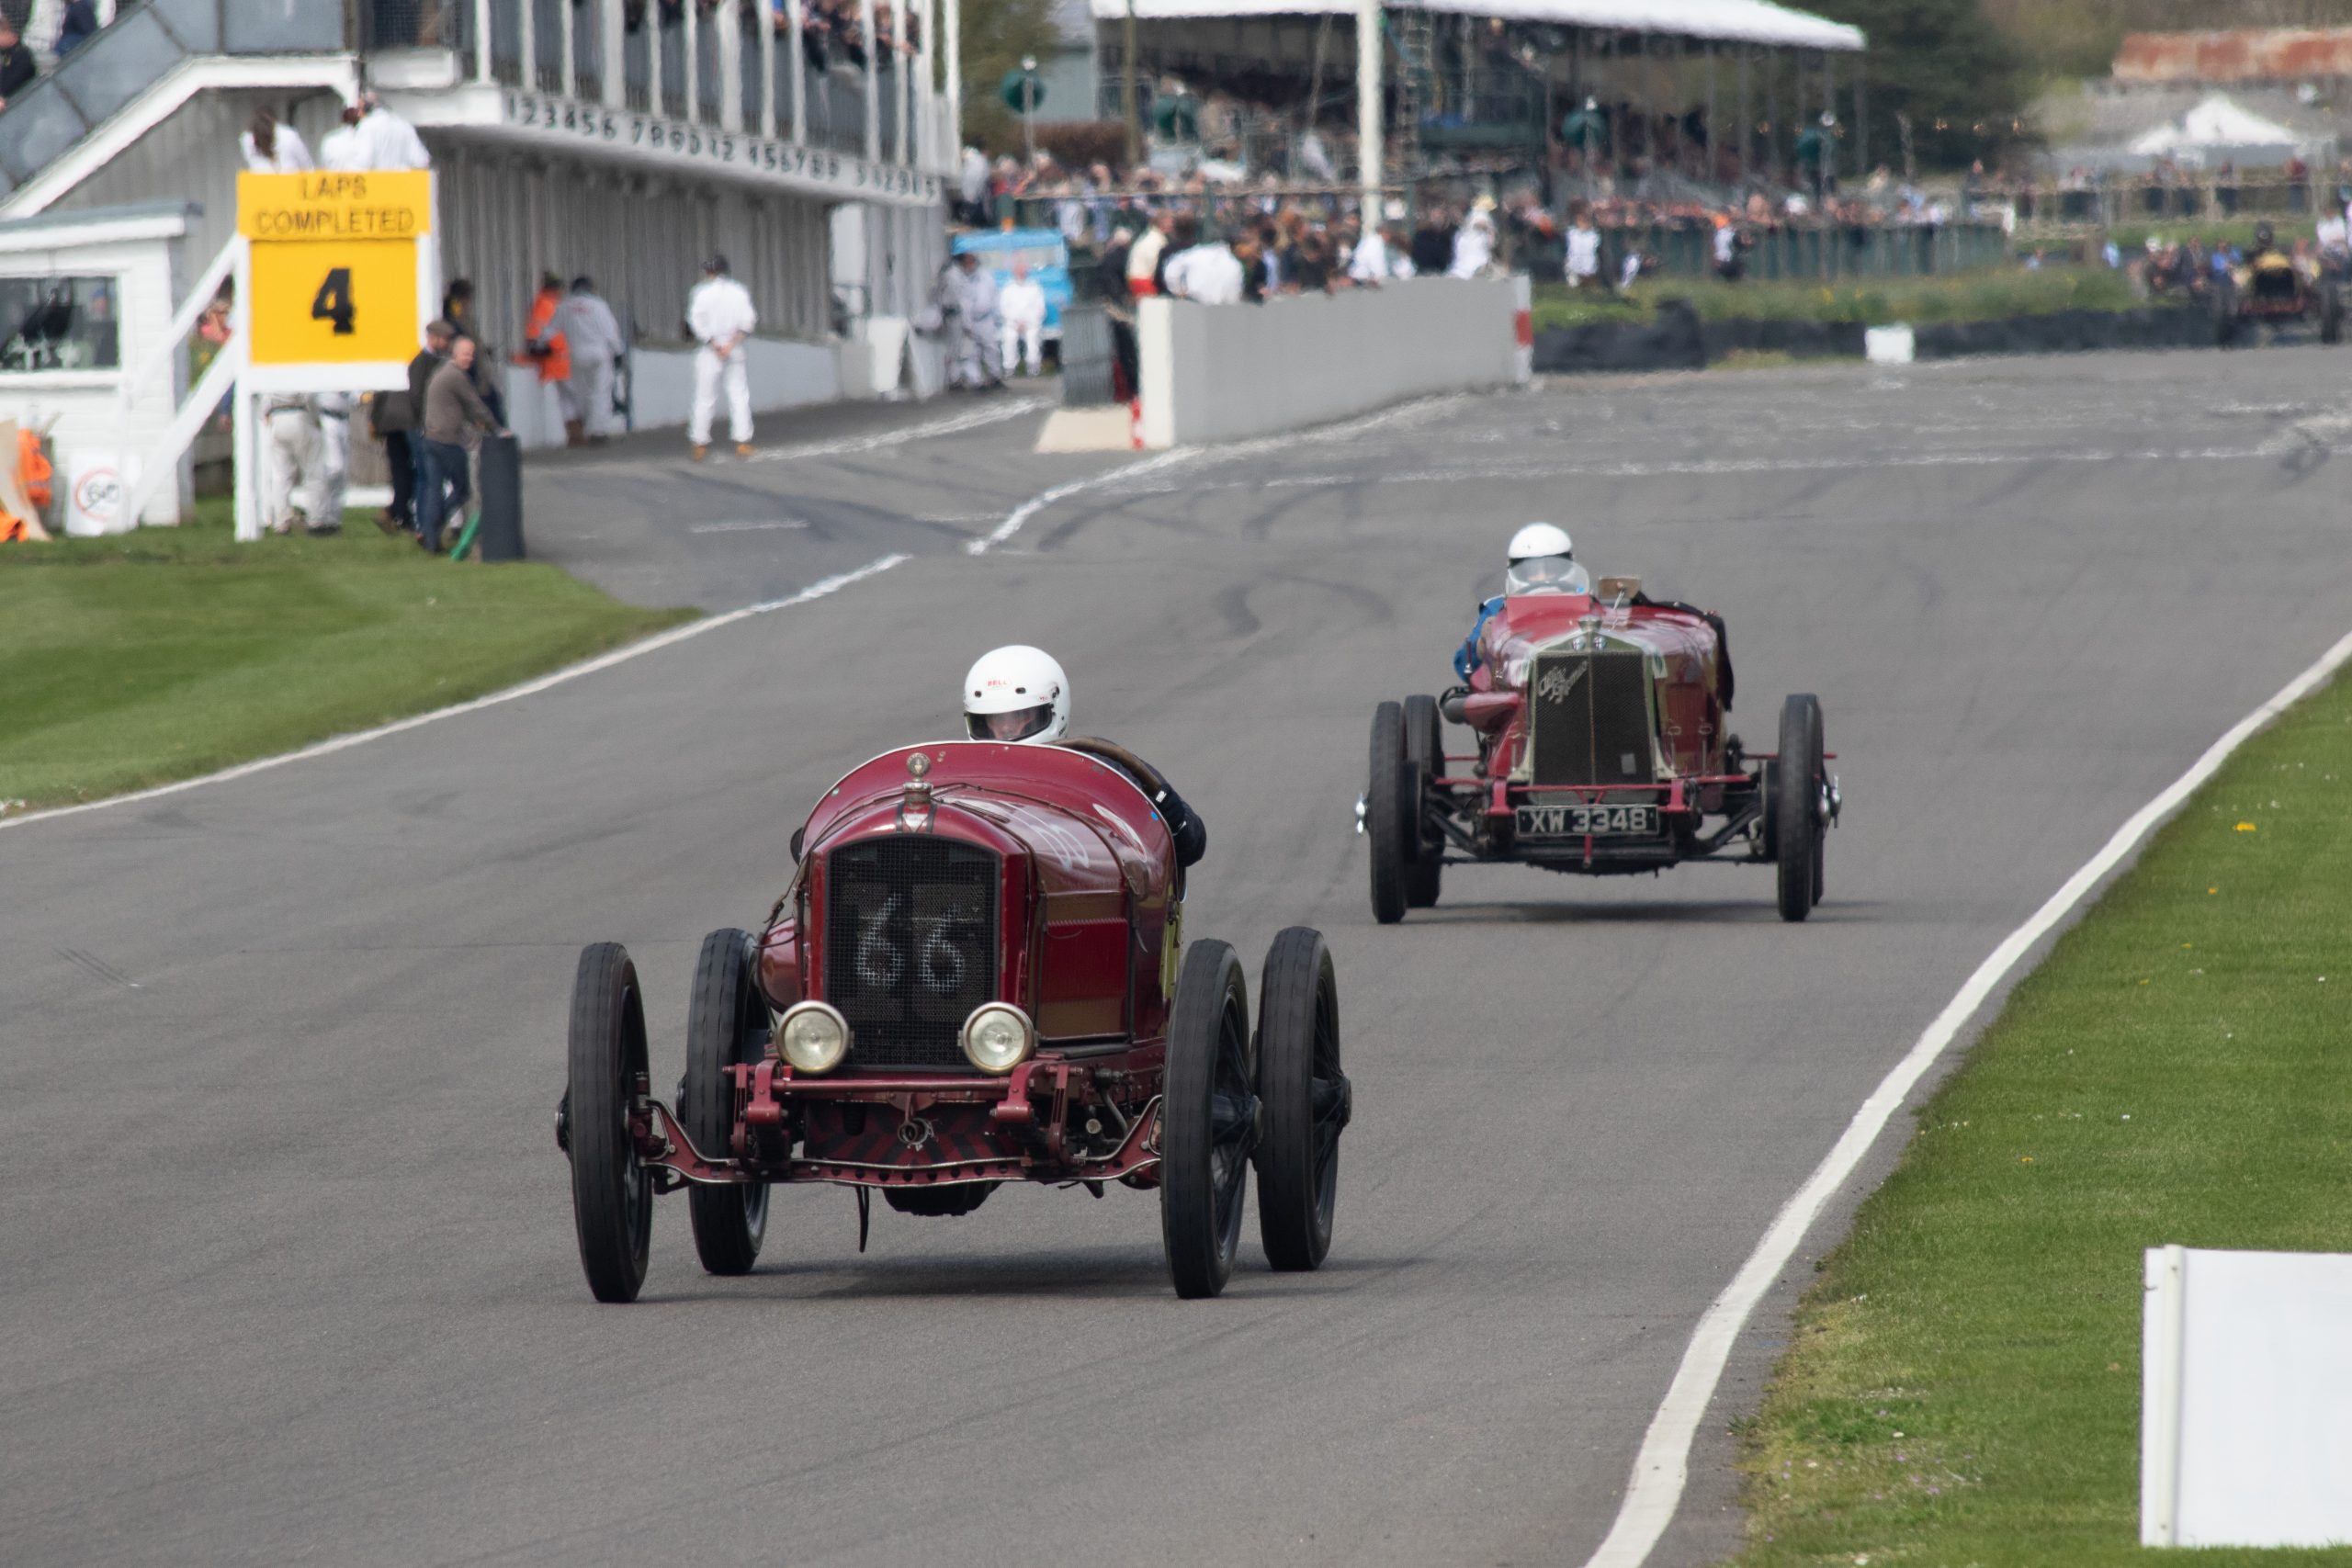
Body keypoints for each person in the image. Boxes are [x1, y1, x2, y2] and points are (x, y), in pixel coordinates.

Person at [959, 645, 1205, 869]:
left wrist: (1170, 818)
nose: (1006, 730)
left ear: (1054, 709)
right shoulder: (960, 778)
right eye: (994, 721)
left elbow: (1192, 845)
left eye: (1020, 717)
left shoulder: (1103, 765)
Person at [1454, 524, 1589, 682]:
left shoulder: (1587, 605)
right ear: (1515, 571)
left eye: (1552, 569)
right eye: (1532, 571)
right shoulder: (1498, 607)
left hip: (1580, 677)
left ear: (1569, 566)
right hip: (1518, 685)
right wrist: (1482, 645)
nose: (1542, 578)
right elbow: (1463, 664)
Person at [417, 335, 503, 553]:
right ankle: (431, 528)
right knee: (462, 488)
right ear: (455, 353)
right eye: (466, 353)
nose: (470, 358)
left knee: (434, 490)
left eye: (472, 354)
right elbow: (475, 405)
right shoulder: (455, 376)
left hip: (431, 438)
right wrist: (498, 429)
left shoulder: (442, 373)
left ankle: (430, 539)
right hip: (447, 441)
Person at [686, 253, 757, 457]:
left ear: (710, 271)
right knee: (738, 395)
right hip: (734, 347)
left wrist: (716, 345)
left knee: (704, 397)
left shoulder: (701, 292)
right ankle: (742, 441)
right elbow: (748, 321)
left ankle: (699, 443)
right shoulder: (739, 291)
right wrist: (730, 344)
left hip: (710, 349)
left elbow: (696, 322)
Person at [552, 276, 625, 443]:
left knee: (581, 393)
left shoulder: (564, 306)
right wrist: (618, 351)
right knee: (600, 392)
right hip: (599, 354)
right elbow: (611, 331)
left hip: (575, 355)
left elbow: (551, 329)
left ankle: (583, 423)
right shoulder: (598, 306)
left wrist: (539, 344)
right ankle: (597, 431)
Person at [517, 272, 574, 442]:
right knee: (569, 398)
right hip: (555, 360)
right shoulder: (546, 305)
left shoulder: (550, 304)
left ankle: (574, 432)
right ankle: (574, 432)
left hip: (557, 360)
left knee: (567, 399)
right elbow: (537, 333)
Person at [259, 393, 321, 535]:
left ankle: (281, 523)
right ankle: (315, 520)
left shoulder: (269, 372)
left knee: (280, 475)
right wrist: (315, 417)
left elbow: (264, 399)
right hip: (299, 414)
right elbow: (308, 396)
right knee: (311, 470)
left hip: (277, 417)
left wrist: (265, 414)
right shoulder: (294, 371)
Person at [942, 250, 1001, 389]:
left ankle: (990, 376)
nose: (970, 264)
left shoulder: (983, 276)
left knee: (987, 348)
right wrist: (967, 324)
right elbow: (963, 303)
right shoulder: (956, 276)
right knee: (967, 351)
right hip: (963, 318)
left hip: (980, 318)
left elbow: (992, 296)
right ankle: (972, 380)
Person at [1162, 220, 1244, 305]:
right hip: (1216, 310)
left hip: (1191, 302)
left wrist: (1177, 290)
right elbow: (1233, 296)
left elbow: (1172, 269)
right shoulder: (1234, 265)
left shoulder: (1198, 253)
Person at [309, 392, 352, 533]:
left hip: (343, 419)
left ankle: (333, 520)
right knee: (333, 468)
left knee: (342, 473)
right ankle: (320, 517)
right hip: (327, 418)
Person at [996, 258, 1046, 378]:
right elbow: (1003, 308)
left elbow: (1040, 308)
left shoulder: (1034, 287)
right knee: (1009, 339)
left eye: (1023, 269)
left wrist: (1027, 322)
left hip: (1031, 324)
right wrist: (1016, 322)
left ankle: (1033, 369)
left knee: (1033, 340)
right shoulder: (1008, 288)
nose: (1021, 272)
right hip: (1012, 324)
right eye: (1018, 270)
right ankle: (1009, 369)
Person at [240, 108, 313, 173]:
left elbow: (307, 165)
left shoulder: (287, 137)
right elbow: (307, 165)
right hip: (263, 184)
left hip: (290, 183)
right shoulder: (248, 140)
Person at [0, 20, 38, 110]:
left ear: (9, 34)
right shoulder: (8, 54)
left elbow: (15, 79)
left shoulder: (21, 54)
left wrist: (2, 93)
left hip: (25, 101)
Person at [1564, 207, 1601, 289]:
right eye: (1580, 220)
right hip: (1573, 266)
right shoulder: (1572, 233)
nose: (1583, 223)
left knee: (1589, 286)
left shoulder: (1594, 235)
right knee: (1573, 285)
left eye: (1586, 221)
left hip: (1588, 268)